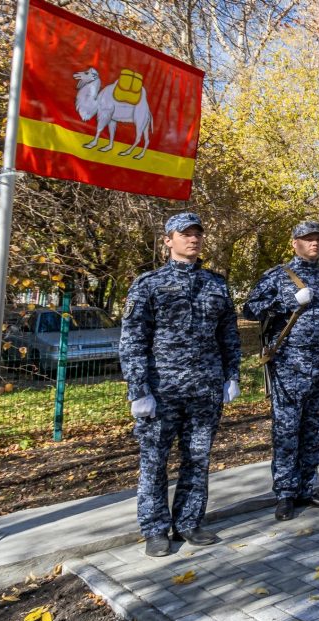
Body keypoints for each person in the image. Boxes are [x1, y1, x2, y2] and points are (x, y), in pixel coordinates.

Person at [119, 212, 242, 557]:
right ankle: (155, 529)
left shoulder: (216, 284)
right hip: (162, 390)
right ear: (168, 240)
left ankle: (188, 522)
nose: (193, 239)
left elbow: (229, 335)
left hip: (204, 388)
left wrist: (231, 374)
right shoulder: (148, 284)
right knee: (155, 461)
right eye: (185, 234)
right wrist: (138, 389)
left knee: (198, 458)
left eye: (197, 233)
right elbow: (132, 341)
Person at [243, 221, 319, 520]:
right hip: (289, 366)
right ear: (294, 243)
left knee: (315, 428)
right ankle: (285, 494)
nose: (314, 243)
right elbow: (249, 309)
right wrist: (286, 300)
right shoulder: (278, 277)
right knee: (287, 430)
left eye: (317, 238)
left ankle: (307, 486)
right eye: (307, 239)